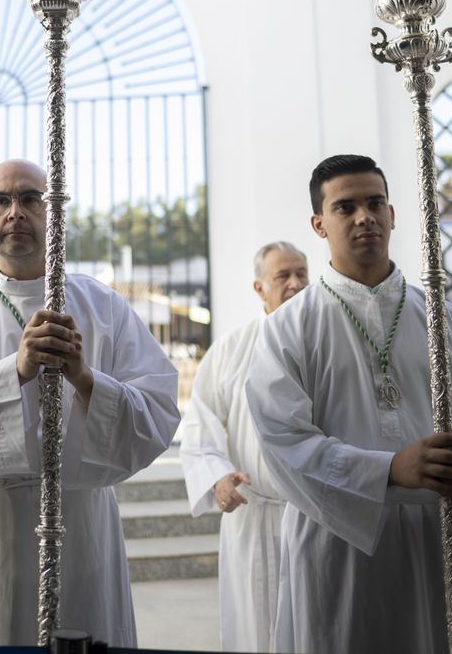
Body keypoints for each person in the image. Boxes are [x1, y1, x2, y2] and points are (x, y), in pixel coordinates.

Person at [248, 154, 452, 652]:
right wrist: (390, 471)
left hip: (439, 538)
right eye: (345, 207)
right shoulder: (289, 329)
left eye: (375, 203)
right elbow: (283, 443)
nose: (364, 217)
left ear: (392, 214)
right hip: (342, 554)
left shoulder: (440, 318)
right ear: (319, 224)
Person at [0, 158, 180, 646]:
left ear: (55, 215)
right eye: (1, 201)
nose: (16, 211)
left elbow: (158, 408)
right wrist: (14, 372)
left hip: (80, 525)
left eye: (31, 199)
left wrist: (86, 378)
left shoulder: (104, 306)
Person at [179, 240, 307, 651]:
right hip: (252, 515)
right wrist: (218, 476)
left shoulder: (330, 343)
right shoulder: (231, 350)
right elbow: (201, 421)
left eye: (301, 274)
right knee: (254, 629)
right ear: (259, 288)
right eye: (282, 276)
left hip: (313, 516)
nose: (295, 284)